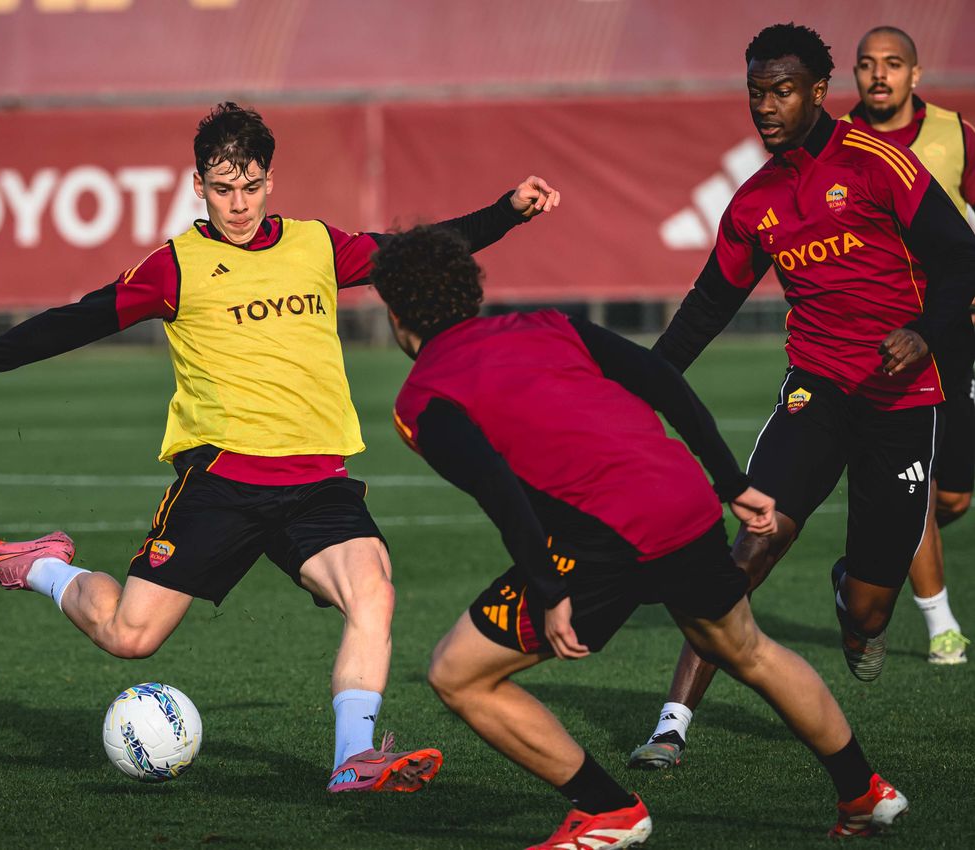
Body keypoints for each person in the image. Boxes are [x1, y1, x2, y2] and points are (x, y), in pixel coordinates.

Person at [0, 102, 560, 794]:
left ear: (269, 182)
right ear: (198, 185)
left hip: (317, 482)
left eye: (249, 185)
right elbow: (75, 322)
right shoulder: (176, 265)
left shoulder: (317, 245)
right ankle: (41, 569)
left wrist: (506, 211)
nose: (237, 203)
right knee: (128, 637)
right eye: (221, 187)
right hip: (222, 482)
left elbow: (420, 250)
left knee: (374, 593)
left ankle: (352, 761)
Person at [371, 225, 908, 847]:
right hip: (684, 501)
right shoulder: (548, 324)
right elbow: (659, 379)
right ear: (469, 291)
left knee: (457, 673)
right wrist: (730, 480)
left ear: (394, 311)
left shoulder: (421, 398)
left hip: (604, 536)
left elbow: (500, 493)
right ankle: (864, 792)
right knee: (748, 650)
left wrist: (548, 589)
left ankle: (606, 810)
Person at [628, 23, 975, 772]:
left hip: (901, 396)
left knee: (871, 609)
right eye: (754, 92)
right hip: (813, 392)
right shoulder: (753, 201)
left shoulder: (880, 165)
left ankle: (851, 592)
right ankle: (671, 722)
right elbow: (705, 307)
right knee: (750, 545)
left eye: (780, 91)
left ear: (818, 91)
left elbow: (960, 260)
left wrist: (922, 331)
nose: (765, 106)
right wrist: (641, 386)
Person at [843, 25, 975, 665]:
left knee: (952, 496)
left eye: (893, 64)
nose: (879, 75)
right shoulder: (838, 144)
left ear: (916, 75)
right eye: (867, 64)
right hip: (888, 339)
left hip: (955, 329)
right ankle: (940, 622)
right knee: (914, 478)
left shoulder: (955, 134)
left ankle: (874, 557)